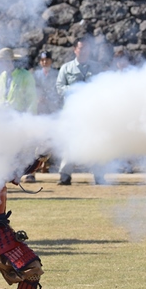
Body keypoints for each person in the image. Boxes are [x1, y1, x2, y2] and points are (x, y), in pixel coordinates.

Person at [55, 38, 105, 185]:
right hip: (72, 113)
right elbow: (59, 87)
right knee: (69, 144)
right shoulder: (66, 68)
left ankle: (99, 175)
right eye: (81, 48)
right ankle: (65, 175)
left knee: (97, 143)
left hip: (92, 112)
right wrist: (75, 90)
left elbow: (103, 86)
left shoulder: (96, 68)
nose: (83, 51)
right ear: (75, 50)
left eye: (86, 48)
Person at [0, 47, 39, 183]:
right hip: (5, 119)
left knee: (23, 149)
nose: (3, 63)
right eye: (1, 61)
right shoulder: (1, 77)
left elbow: (32, 99)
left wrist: (29, 119)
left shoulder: (25, 75)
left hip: (21, 118)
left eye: (5, 60)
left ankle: (25, 173)